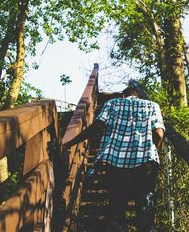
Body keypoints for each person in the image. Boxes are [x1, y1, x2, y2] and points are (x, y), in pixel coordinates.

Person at [62, 86, 165, 232]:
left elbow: (98, 126)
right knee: (145, 211)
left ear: (123, 96)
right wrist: (153, 152)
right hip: (145, 163)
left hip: (116, 164)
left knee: (116, 211)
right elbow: (159, 134)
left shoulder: (112, 103)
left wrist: (70, 143)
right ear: (138, 96)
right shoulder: (153, 105)